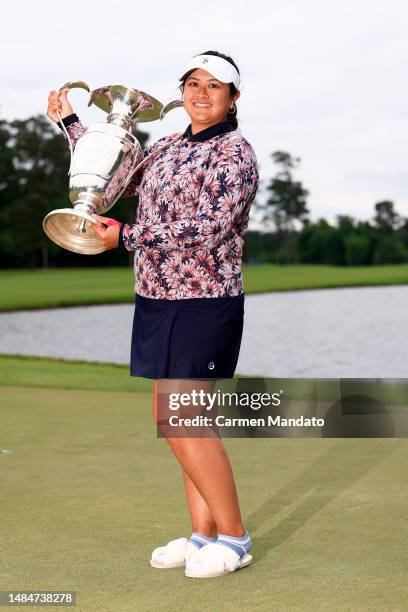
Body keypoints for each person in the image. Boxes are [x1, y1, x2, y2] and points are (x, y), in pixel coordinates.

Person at [47, 50, 259, 579]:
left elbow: (208, 229)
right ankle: (202, 535)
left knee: (181, 421)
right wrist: (71, 124)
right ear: (181, 91)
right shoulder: (164, 145)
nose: (201, 93)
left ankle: (234, 538)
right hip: (157, 295)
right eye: (193, 83)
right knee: (186, 423)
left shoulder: (235, 153)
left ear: (234, 97)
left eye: (215, 86)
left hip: (206, 301)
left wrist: (129, 236)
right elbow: (114, 181)